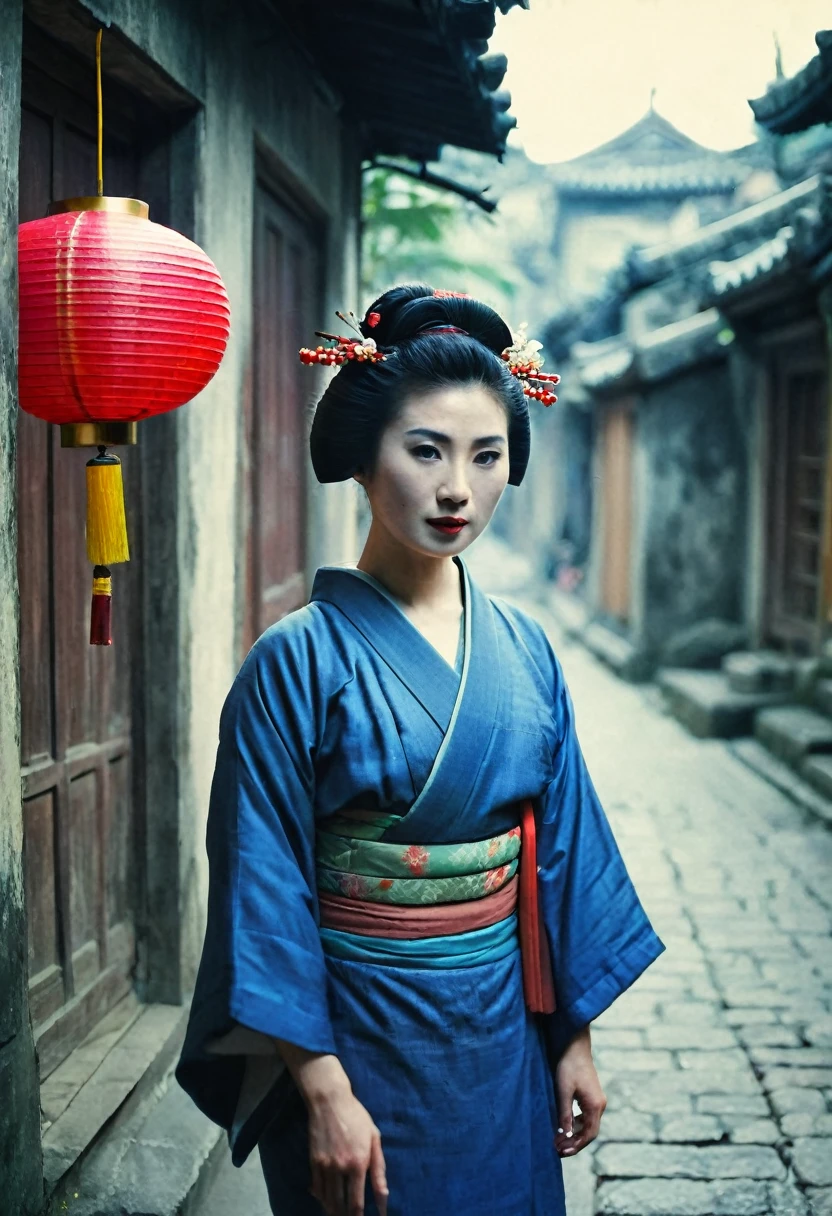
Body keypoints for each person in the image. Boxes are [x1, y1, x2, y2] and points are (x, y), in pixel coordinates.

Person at [176, 285, 664, 1216]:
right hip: (353, 1036)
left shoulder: (523, 648)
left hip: (500, 1041)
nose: (456, 489)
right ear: (364, 456)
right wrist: (319, 1087)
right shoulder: (295, 661)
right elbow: (261, 882)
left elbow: (561, 853)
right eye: (426, 450)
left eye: (486, 457)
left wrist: (572, 1039)